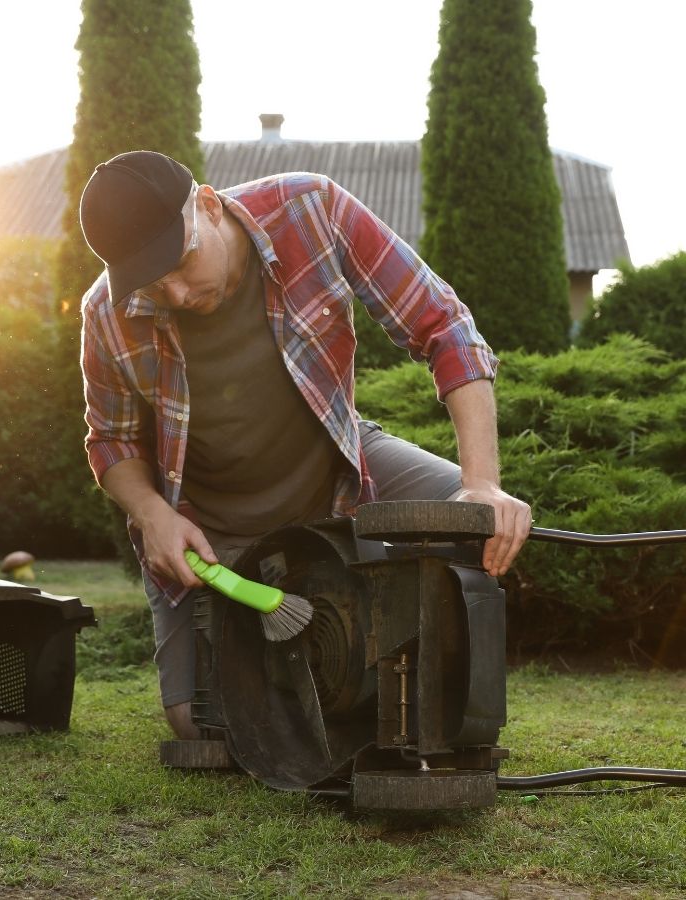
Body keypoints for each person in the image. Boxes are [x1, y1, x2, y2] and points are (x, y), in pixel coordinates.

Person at [78, 150, 532, 740]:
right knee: (200, 725)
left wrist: (484, 481)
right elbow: (110, 442)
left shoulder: (312, 210)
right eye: (153, 281)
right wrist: (152, 514)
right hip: (210, 528)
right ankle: (320, 674)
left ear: (209, 206)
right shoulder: (107, 315)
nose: (179, 294)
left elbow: (444, 328)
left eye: (182, 263)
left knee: (472, 513)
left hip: (341, 467)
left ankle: (427, 685)